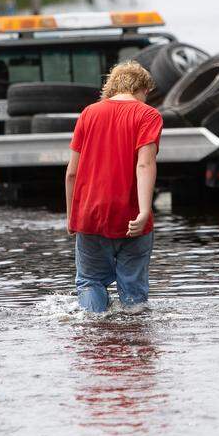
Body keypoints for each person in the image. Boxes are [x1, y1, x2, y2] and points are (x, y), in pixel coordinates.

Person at [65, 61, 162, 313]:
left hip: (90, 214)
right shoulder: (148, 115)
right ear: (140, 88)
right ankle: (134, 339)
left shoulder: (88, 113)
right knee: (133, 289)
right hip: (130, 214)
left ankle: (93, 331)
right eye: (146, 94)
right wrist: (143, 211)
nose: (145, 99)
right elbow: (144, 164)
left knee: (90, 282)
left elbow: (72, 173)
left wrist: (71, 217)